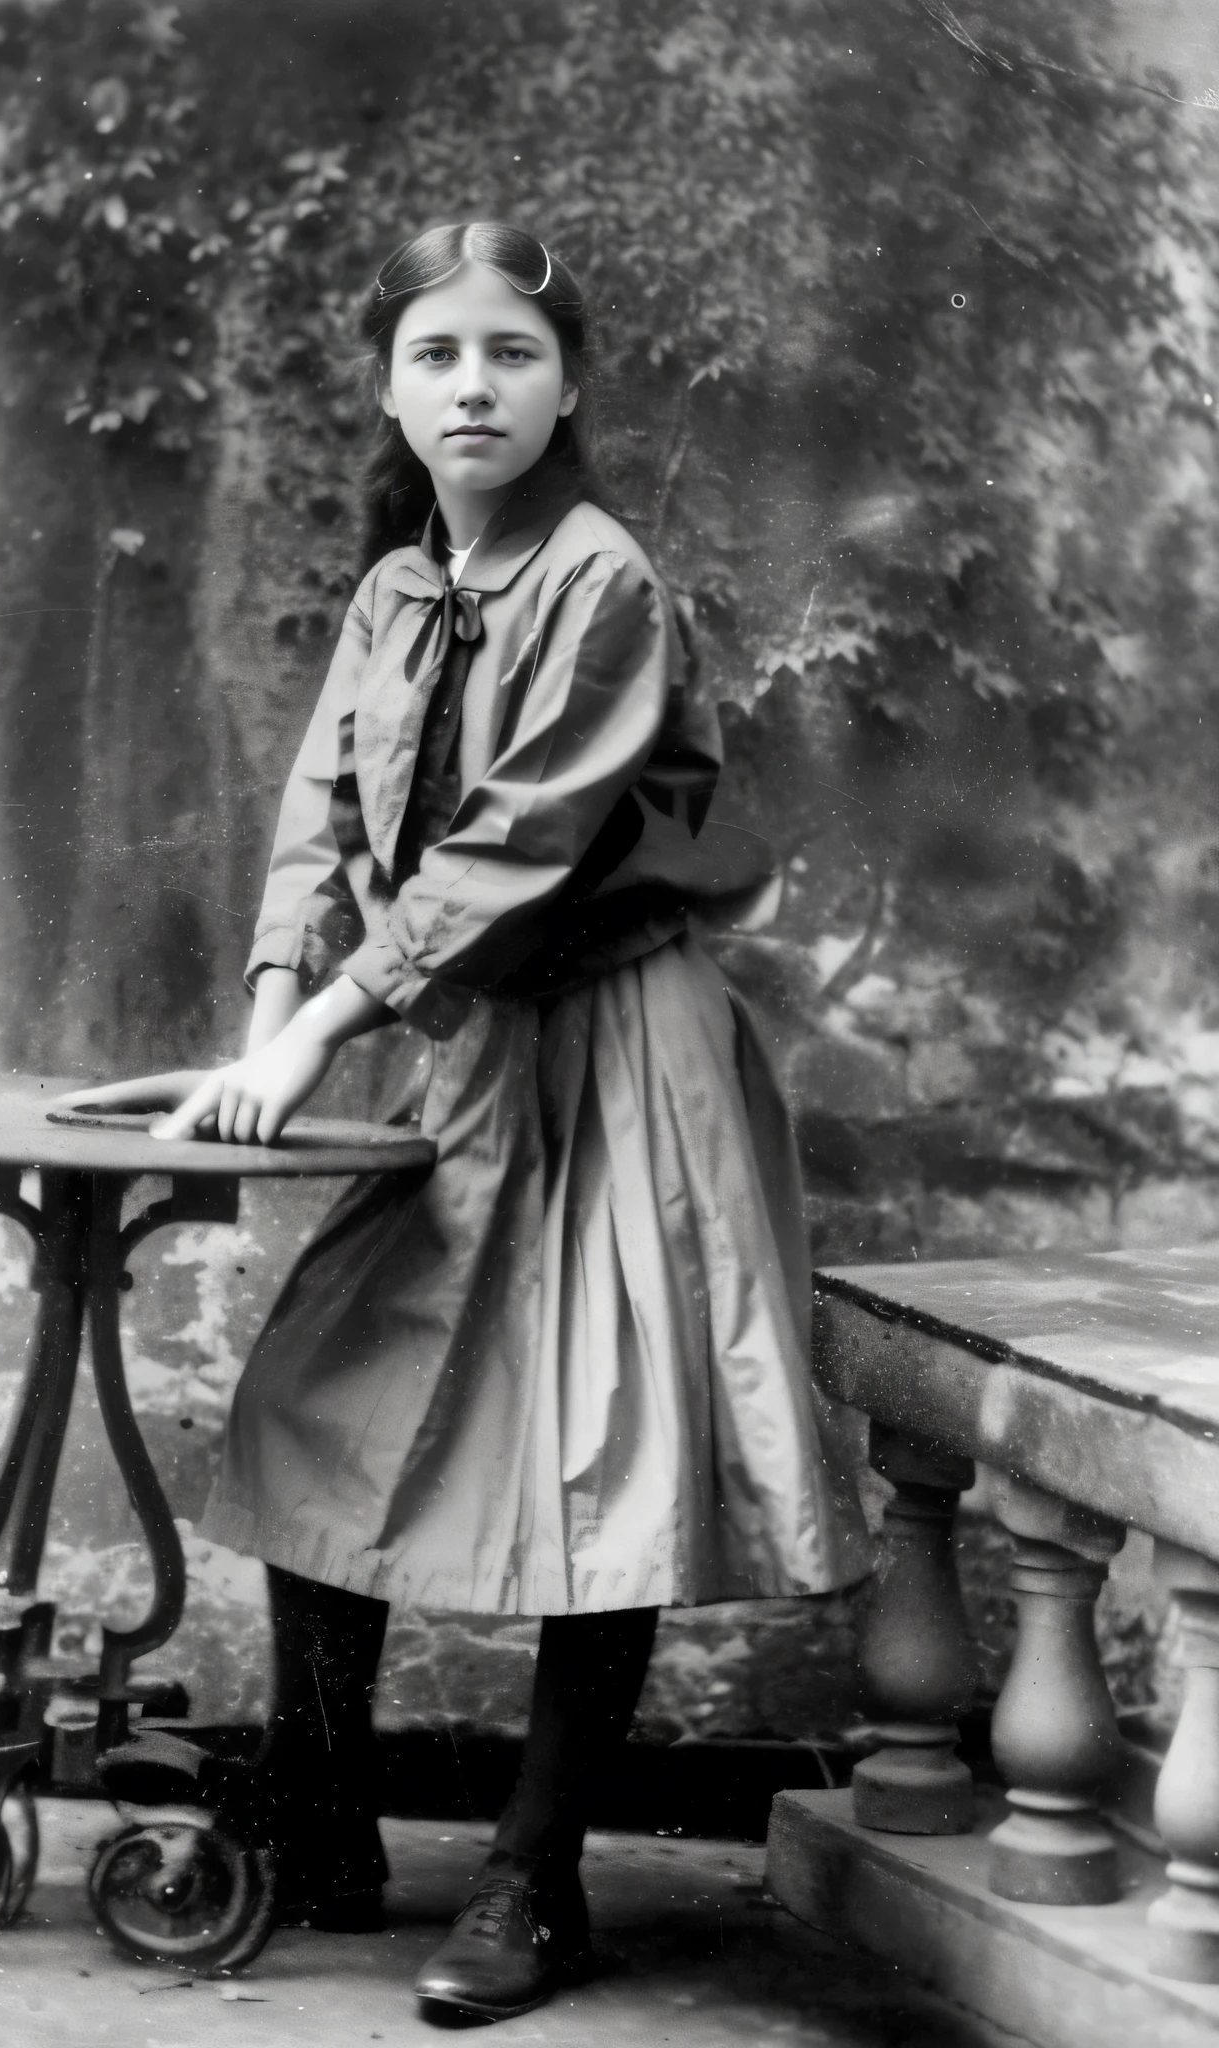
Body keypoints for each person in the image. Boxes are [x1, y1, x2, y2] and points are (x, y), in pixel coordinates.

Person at [64, 220, 868, 2023]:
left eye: (510, 352)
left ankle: (534, 1877)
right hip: (470, 1052)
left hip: (619, 1049)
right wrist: (267, 1027)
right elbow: (320, 816)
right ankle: (332, 1815)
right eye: (436, 356)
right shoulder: (400, 591)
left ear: (568, 379)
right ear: (391, 386)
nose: (473, 387)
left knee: (609, 1451)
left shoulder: (605, 584)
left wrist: (333, 1024)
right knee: (316, 1398)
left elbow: (512, 849)